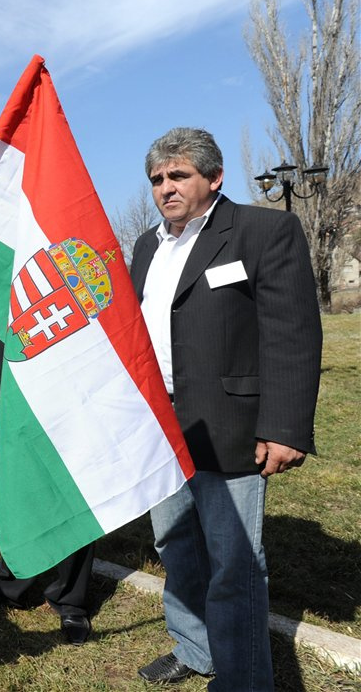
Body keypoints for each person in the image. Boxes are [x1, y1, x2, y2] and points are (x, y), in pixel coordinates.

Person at [130, 128, 321, 689]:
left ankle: (242, 678)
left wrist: (283, 427)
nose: (165, 188)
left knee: (235, 563)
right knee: (175, 545)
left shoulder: (265, 231)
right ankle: (194, 647)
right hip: (159, 426)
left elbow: (292, 336)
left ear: (214, 178)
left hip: (229, 425)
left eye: (178, 175)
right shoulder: (147, 246)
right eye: (157, 179)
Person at [0, 329, 95, 645]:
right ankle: (8, 584)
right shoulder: (7, 279)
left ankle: (70, 598)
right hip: (15, 384)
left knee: (74, 492)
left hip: (70, 384)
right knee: (20, 492)